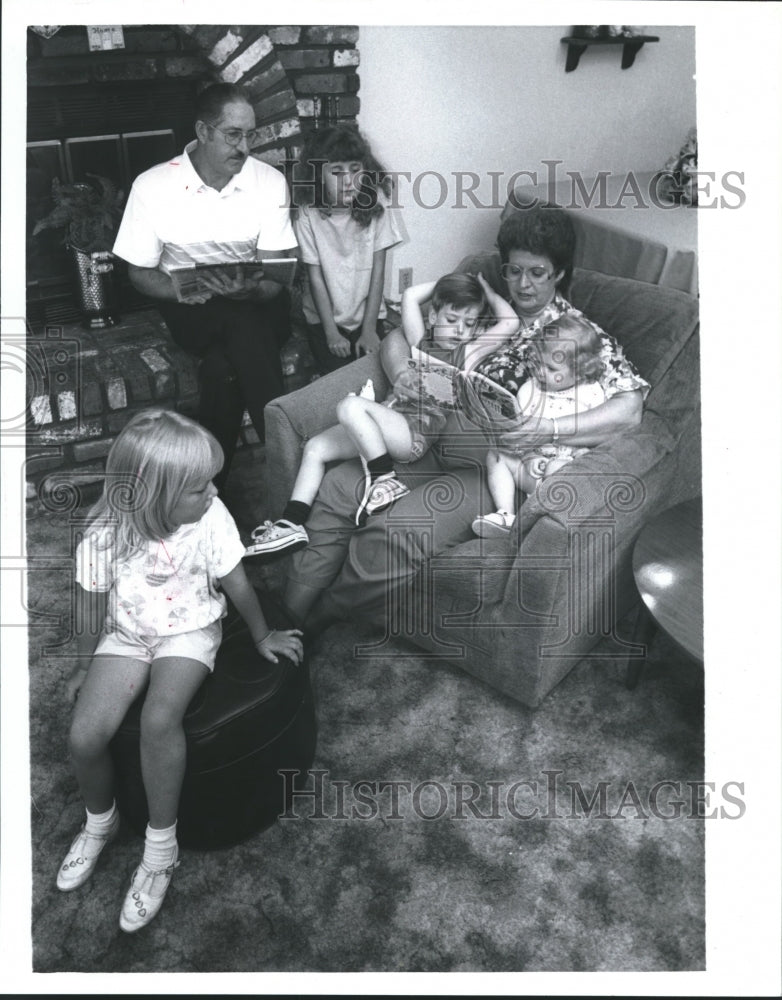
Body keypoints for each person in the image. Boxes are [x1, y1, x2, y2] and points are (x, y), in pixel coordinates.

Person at [280, 204, 650, 631]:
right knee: (339, 488)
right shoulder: (483, 305)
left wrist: (547, 427)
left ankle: (318, 622)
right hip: (427, 432)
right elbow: (399, 334)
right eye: (513, 270)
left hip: (489, 461)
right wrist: (405, 373)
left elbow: (630, 409)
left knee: (394, 534)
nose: (522, 284)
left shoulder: (579, 334)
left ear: (560, 273)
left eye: (537, 273)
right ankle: (286, 619)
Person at [58, 409, 303, 933]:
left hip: (189, 629)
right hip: (127, 634)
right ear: (152, 495)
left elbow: (237, 584)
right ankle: (100, 822)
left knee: (159, 718)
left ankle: (160, 848)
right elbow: (87, 605)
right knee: (84, 734)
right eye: (199, 487)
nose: (214, 492)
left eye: (212, 481)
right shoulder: (105, 533)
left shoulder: (210, 519)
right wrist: (84, 665)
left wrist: (261, 636)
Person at [245, 272, 519, 556]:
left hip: (413, 434)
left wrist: (485, 290)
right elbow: (411, 295)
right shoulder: (419, 341)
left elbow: (510, 322)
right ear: (434, 317)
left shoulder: (468, 352)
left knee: (350, 407)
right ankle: (292, 523)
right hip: (387, 423)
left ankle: (385, 480)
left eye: (469, 323)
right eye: (452, 320)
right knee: (315, 448)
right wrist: (455, 283)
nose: (460, 330)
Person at [112, 83, 298, 492]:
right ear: (203, 131)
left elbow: (276, 278)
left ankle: (208, 492)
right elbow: (139, 273)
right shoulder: (153, 185)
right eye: (234, 134)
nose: (245, 146)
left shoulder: (268, 181)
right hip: (192, 309)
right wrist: (180, 290)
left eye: (252, 134)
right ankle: (295, 477)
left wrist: (252, 291)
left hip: (257, 307)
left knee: (223, 367)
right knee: (239, 329)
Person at [470, 313, 608, 537]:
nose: (541, 373)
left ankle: (536, 522)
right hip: (531, 470)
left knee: (558, 470)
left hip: (565, 468)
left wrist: (582, 455)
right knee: (497, 454)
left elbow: (599, 434)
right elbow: (522, 435)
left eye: (553, 369)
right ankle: (506, 515)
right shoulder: (529, 389)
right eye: (539, 364)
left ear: (581, 371)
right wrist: (529, 457)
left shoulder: (590, 394)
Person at [291, 123, 405, 375]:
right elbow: (315, 277)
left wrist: (369, 329)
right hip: (324, 319)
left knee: (375, 377)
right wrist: (331, 332)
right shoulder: (307, 213)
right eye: (336, 172)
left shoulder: (377, 204)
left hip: (368, 314)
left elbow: (378, 272)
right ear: (318, 174)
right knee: (338, 381)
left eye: (355, 170)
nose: (348, 181)